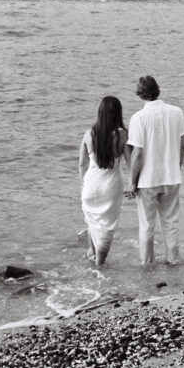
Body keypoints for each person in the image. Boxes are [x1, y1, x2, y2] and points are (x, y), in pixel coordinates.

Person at [127, 75, 184, 265]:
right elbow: (182, 146)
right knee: (171, 223)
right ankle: (173, 260)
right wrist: (175, 168)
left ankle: (146, 264)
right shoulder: (177, 112)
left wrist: (131, 182)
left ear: (139, 94)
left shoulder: (138, 118)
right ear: (157, 90)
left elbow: (137, 154)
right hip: (171, 176)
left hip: (147, 179)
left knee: (146, 225)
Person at [79, 96, 131, 266]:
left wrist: (84, 184)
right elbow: (131, 163)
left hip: (90, 186)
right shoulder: (123, 135)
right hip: (111, 187)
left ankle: (92, 253)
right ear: (117, 114)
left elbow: (81, 164)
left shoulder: (89, 134)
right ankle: (99, 266)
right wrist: (134, 184)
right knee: (107, 227)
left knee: (92, 221)